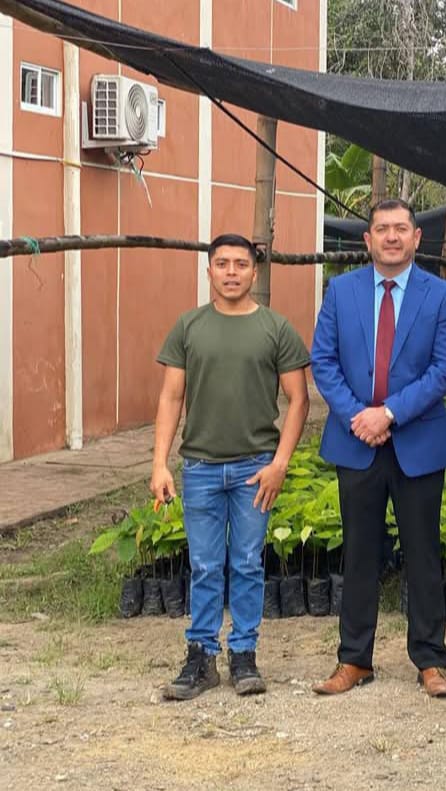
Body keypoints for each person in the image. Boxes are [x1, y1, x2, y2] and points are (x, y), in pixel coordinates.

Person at [310, 199, 446, 699]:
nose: (391, 237)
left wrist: (390, 413)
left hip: (417, 442)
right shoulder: (342, 290)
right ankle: (354, 659)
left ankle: (430, 661)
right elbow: (323, 360)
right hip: (356, 439)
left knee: (423, 554)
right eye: (382, 229)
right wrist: (360, 416)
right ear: (367, 239)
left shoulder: (442, 295)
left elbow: (444, 369)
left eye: (401, 228)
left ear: (417, 238)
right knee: (359, 553)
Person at [151, 233, 311, 701]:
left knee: (246, 563)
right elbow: (171, 397)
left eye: (241, 264)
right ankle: (201, 658)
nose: (232, 272)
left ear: (254, 272)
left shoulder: (276, 329)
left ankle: (244, 654)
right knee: (204, 565)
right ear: (209, 271)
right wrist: (159, 463)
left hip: (254, 470)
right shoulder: (189, 326)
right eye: (222, 264)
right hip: (200, 467)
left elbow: (299, 399)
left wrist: (280, 463)